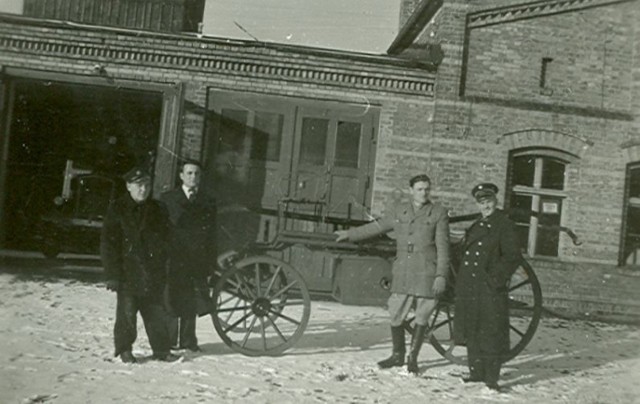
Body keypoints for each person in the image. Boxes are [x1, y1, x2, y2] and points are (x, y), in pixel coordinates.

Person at [335, 174, 450, 374]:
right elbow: (378, 226)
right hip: (404, 270)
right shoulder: (400, 211)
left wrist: (441, 275)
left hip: (426, 271)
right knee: (395, 312)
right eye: (419, 189)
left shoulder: (438, 213)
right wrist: (350, 234)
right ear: (411, 190)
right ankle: (397, 355)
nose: (423, 193)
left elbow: (443, 247)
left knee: (422, 316)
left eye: (426, 189)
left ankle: (412, 359)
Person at [101, 166, 179, 363]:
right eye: (138, 185)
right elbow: (109, 244)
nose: (143, 190)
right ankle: (125, 350)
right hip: (128, 272)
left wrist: (165, 261)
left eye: (146, 185)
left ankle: (161, 350)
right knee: (127, 313)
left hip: (153, 271)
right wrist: (112, 275)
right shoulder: (117, 209)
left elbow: (168, 238)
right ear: (128, 186)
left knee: (155, 312)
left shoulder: (158, 209)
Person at [453, 183, 522, 391]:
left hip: (490, 288)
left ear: (496, 201)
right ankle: (476, 372)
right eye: (482, 203)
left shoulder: (504, 224)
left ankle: (491, 377)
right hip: (471, 287)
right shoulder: (477, 225)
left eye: (489, 201)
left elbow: (512, 256)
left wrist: (495, 280)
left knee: (491, 331)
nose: (486, 206)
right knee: (473, 329)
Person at [160, 159, 216, 352]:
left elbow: (212, 234)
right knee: (170, 297)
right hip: (174, 257)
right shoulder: (167, 199)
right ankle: (168, 340)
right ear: (181, 176)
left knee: (191, 299)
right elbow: (160, 230)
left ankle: (187, 341)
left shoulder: (208, 201)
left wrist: (210, 261)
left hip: (196, 258)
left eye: (197, 174)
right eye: (189, 173)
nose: (193, 177)